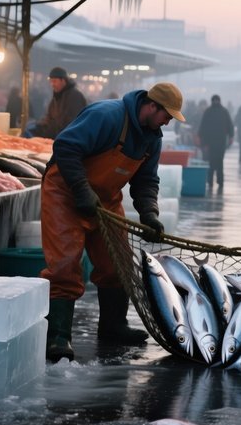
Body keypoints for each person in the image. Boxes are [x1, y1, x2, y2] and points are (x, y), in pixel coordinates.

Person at [41, 82, 185, 362]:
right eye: (167, 115)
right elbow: (65, 147)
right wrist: (82, 191)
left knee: (117, 261)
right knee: (64, 264)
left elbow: (146, 181)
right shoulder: (108, 115)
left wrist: (150, 214)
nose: (168, 122)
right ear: (151, 106)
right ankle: (58, 335)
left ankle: (113, 325)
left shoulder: (152, 138)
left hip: (105, 201)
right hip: (65, 193)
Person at [28, 67, 87, 139]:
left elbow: (72, 123)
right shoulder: (57, 97)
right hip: (56, 137)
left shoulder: (74, 96)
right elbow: (49, 117)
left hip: (69, 140)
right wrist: (39, 125)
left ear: (63, 80)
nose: (52, 84)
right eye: (51, 81)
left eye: (55, 81)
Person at [196, 94, 234, 194]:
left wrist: (200, 138)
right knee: (219, 161)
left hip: (211, 142)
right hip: (220, 142)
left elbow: (203, 126)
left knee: (212, 162)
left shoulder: (208, 111)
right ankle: (219, 181)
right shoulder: (224, 111)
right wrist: (231, 136)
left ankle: (211, 181)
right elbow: (230, 125)